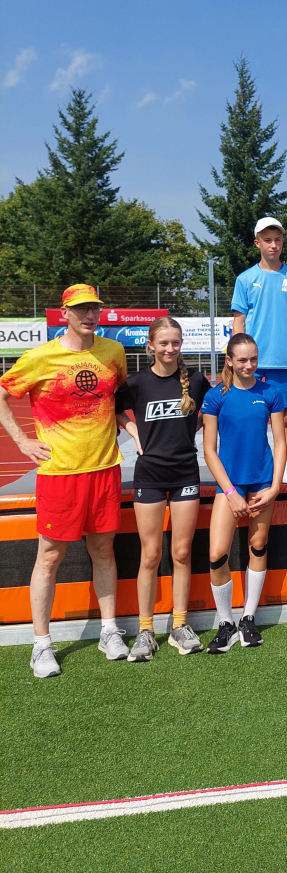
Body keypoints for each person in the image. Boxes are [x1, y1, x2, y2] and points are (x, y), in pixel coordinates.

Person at [0, 284, 129, 677]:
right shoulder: (41, 357)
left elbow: (118, 397)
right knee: (50, 557)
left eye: (95, 308)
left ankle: (109, 630)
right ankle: (41, 645)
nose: (90, 315)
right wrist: (22, 442)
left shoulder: (113, 352)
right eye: (81, 309)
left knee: (104, 551)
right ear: (65, 313)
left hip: (105, 469)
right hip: (60, 474)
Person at [115, 318, 211, 660]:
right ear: (151, 346)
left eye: (176, 343)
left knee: (182, 553)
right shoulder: (137, 383)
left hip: (186, 472)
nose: (171, 349)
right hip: (150, 475)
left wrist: (193, 430)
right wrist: (136, 435)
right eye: (164, 343)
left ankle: (180, 626)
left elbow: (211, 410)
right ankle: (145, 630)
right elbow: (115, 411)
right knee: (151, 555)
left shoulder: (197, 381)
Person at [201, 333, 286, 652]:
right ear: (230, 361)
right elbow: (209, 450)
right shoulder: (216, 396)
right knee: (216, 555)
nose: (249, 365)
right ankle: (226, 623)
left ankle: (248, 618)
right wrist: (230, 492)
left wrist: (276, 486)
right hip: (230, 486)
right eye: (242, 360)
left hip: (263, 483)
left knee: (258, 545)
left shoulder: (272, 392)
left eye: (253, 359)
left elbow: (280, 441)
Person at [231, 216, 287, 483]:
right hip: (251, 363)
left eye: (277, 239)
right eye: (267, 240)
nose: (273, 245)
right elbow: (239, 321)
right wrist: (235, 360)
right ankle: (251, 469)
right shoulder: (245, 279)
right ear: (257, 243)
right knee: (251, 418)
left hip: (284, 362)